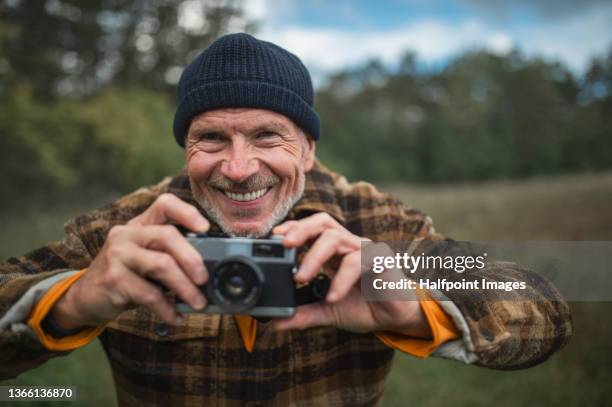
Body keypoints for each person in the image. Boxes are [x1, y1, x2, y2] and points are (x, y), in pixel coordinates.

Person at [0, 33, 571, 406]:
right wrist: (73, 299)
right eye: (211, 138)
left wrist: (412, 305)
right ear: (185, 149)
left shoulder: (371, 220)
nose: (239, 168)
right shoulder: (125, 228)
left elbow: (546, 307)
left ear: (307, 149)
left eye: (267, 135)